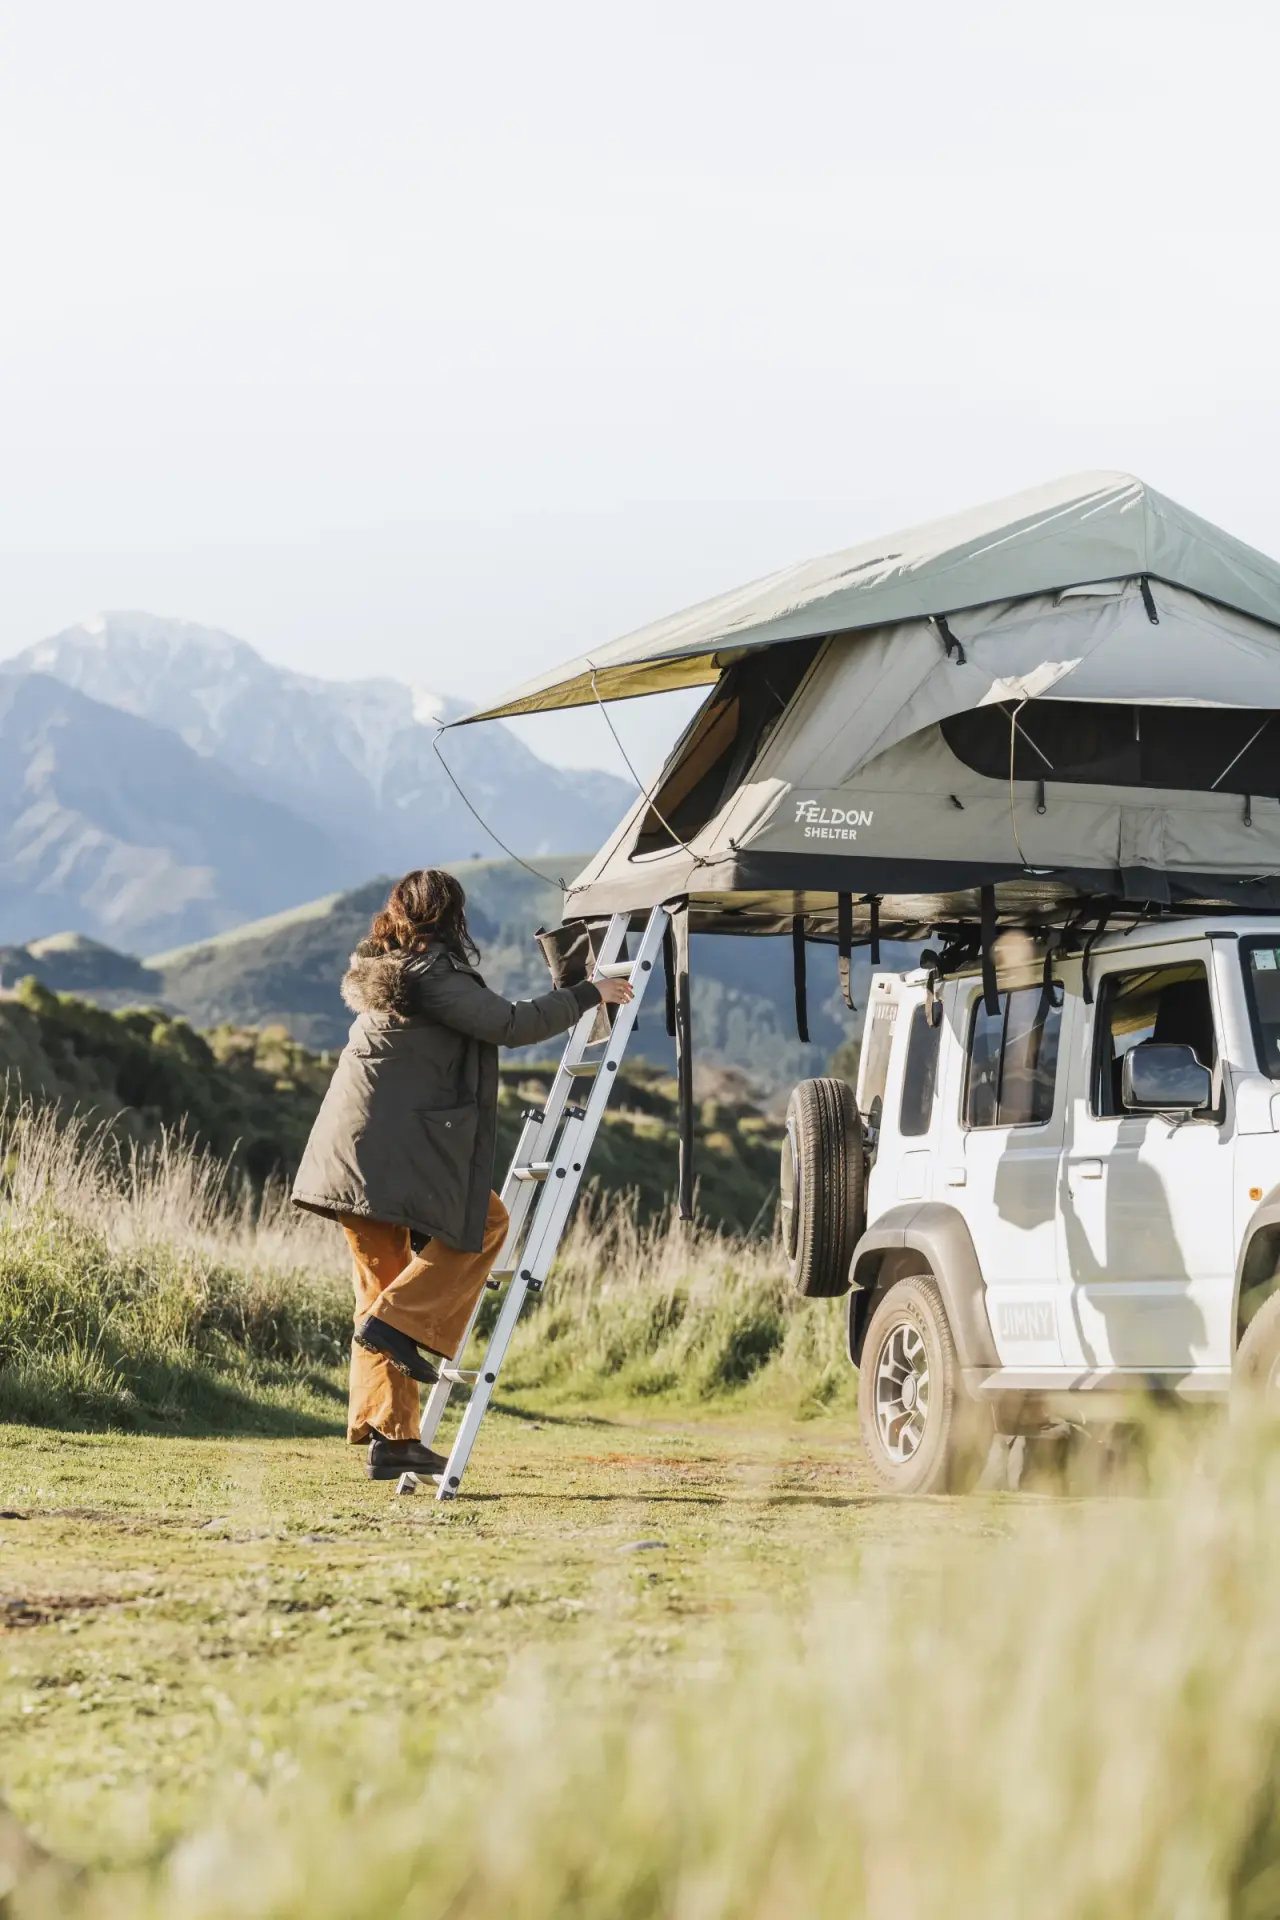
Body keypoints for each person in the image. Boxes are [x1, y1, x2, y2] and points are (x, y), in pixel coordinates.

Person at [291, 868, 633, 1480]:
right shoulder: (430, 974)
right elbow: (509, 1025)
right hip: (383, 1161)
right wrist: (591, 993)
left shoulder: (395, 971)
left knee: (381, 1295)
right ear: (451, 915)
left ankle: (394, 1440)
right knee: (482, 1227)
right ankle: (398, 1337)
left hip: (361, 1159)